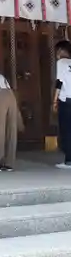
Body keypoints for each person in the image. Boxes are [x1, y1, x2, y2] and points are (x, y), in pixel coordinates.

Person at [53, 40, 71, 169]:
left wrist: (54, 100)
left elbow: (59, 82)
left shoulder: (61, 63)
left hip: (66, 101)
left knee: (66, 130)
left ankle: (68, 160)